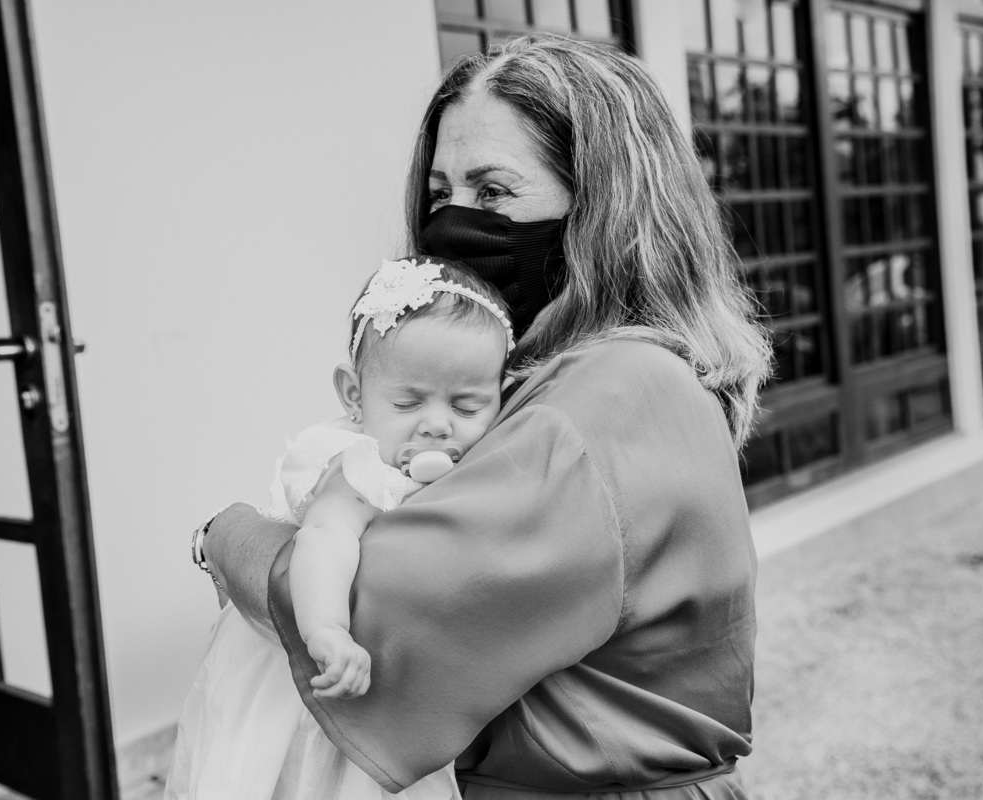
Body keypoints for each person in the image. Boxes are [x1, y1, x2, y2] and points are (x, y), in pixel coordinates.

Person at [198, 34, 772, 799]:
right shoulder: (602, 377)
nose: (455, 226)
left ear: (606, 206)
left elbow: (382, 618)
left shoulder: (610, 393)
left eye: (494, 192)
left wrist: (224, 535)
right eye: (441, 195)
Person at [167, 258, 516, 800]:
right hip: (314, 675)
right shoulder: (359, 467)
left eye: (468, 405)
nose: (437, 423)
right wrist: (327, 630)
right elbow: (325, 539)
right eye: (407, 402)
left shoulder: (482, 462)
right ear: (354, 396)